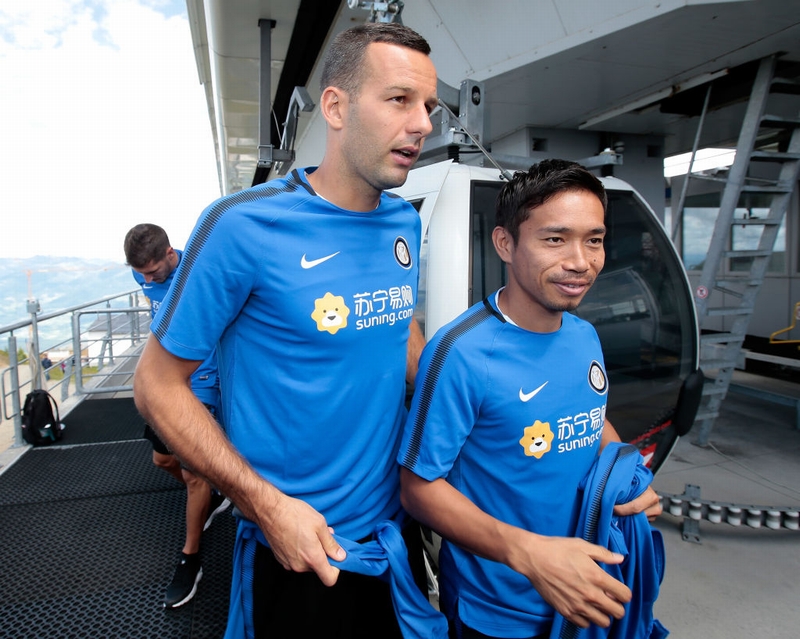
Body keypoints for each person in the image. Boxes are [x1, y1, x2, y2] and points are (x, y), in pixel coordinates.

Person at [133, 22, 437, 638]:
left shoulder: (403, 222)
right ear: (336, 107)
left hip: (392, 531)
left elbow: (402, 331)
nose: (423, 124)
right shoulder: (240, 226)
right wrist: (265, 506)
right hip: (298, 545)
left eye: (428, 106)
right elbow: (156, 385)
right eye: (400, 99)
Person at [397, 159, 664, 639]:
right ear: (505, 243)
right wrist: (530, 555)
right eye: (555, 239)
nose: (580, 261)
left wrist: (629, 475)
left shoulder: (583, 335)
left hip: (590, 590)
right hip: (499, 611)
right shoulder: (460, 353)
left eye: (594, 240)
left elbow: (592, 418)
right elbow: (417, 489)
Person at [124, 223, 230, 609]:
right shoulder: (144, 274)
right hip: (165, 379)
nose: (146, 280)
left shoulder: (198, 274)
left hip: (201, 380)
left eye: (153, 272)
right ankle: (216, 493)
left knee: (193, 475)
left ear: (171, 254)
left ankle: (191, 559)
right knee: (162, 460)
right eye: (141, 274)